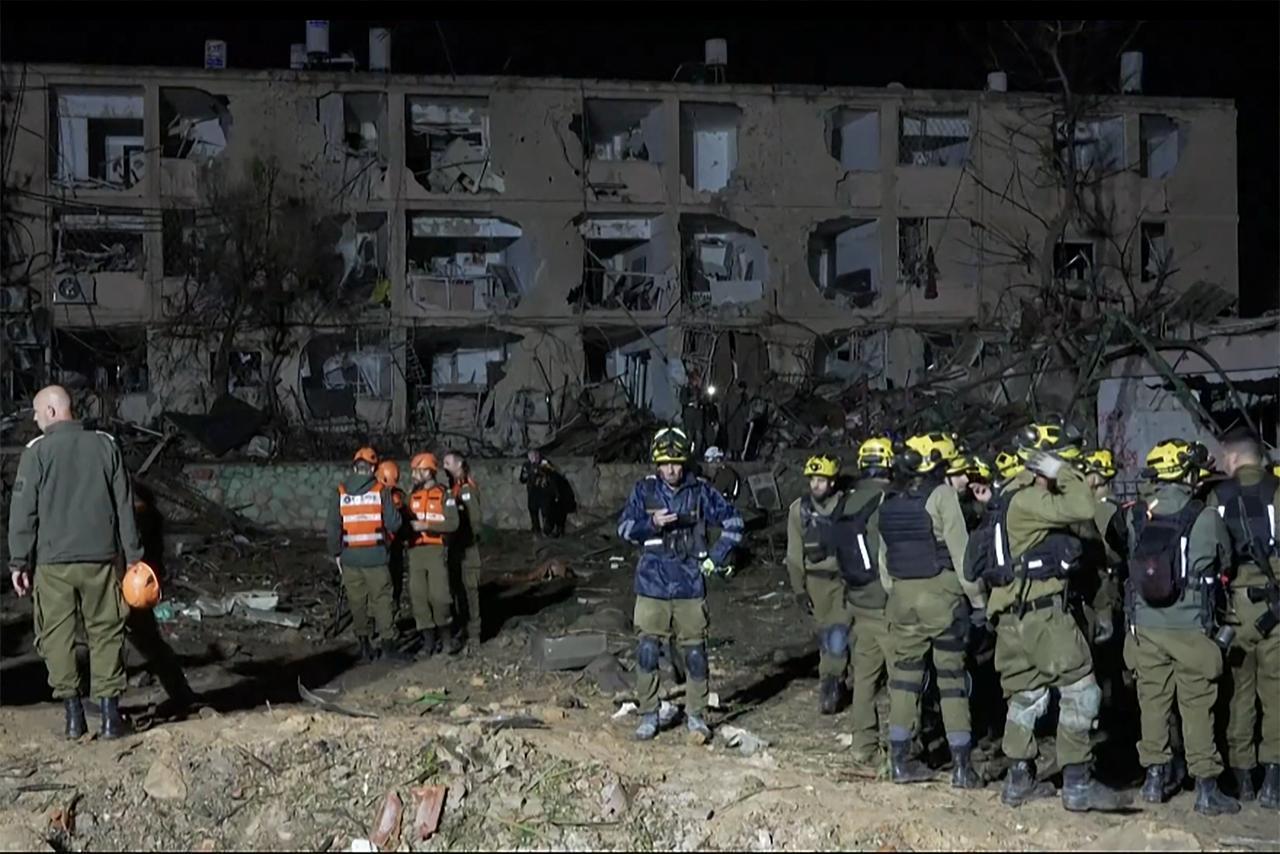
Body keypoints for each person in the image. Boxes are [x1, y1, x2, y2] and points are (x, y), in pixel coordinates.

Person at [973, 420, 1130, 812]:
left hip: (1012, 619)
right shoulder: (1029, 499)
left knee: (1026, 697)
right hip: (1043, 617)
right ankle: (1077, 782)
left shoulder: (1006, 498)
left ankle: (1019, 780)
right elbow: (1081, 506)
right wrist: (1060, 472)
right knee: (1081, 689)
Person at [7, 385, 142, 739]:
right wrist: (134, 558)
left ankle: (73, 717)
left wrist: (19, 561)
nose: (34, 420)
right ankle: (111, 718)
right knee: (106, 632)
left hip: (53, 565)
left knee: (57, 637)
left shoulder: (36, 453)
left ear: (52, 412)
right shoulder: (105, 445)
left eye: (36, 413)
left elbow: (23, 513)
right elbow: (124, 505)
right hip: (101, 559)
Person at [1123, 439, 1239, 816]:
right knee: (1197, 704)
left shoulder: (1137, 514)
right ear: (1188, 473)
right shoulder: (1205, 517)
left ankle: (1154, 781)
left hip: (1146, 626)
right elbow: (1226, 559)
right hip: (1190, 627)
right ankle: (1206, 788)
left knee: (1152, 703)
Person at [873, 432, 986, 789]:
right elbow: (962, 554)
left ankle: (899, 761)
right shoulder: (942, 496)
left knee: (904, 679)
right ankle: (962, 767)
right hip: (942, 597)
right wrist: (979, 602)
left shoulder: (886, 499)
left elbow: (883, 558)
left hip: (901, 599)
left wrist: (896, 592)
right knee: (951, 681)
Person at [616, 427, 744, 742]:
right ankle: (648, 713)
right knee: (647, 650)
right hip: (652, 586)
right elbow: (623, 528)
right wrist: (651, 523)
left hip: (689, 584)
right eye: (664, 463)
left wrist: (715, 557)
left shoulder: (700, 491)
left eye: (676, 462)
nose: (671, 469)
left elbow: (734, 523)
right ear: (656, 464)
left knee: (696, 653)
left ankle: (696, 715)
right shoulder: (644, 491)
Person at [1210, 428, 1280, 809]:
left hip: (1234, 612)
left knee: (1239, 696)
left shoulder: (1218, 498)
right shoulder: (1276, 492)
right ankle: (1273, 781)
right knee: (1276, 696)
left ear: (1234, 458)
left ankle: (1243, 780)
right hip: (1275, 611)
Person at [840, 437, 895, 761]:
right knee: (902, 679)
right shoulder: (886, 501)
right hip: (884, 601)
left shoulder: (848, 501)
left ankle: (863, 747)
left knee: (864, 679)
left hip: (857, 599)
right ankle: (905, 748)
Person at [786, 455, 854, 715]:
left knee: (838, 633)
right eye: (812, 479)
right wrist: (799, 590)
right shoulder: (799, 510)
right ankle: (833, 677)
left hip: (842, 580)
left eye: (821, 480)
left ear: (833, 482)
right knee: (826, 635)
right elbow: (794, 555)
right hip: (815, 582)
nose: (815, 485)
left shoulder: (847, 506)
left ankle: (831, 682)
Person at [326, 447, 407, 663]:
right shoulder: (381, 491)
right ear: (373, 467)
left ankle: (364, 646)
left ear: (354, 466)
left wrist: (336, 553)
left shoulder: (341, 491)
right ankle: (388, 646)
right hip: (377, 558)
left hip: (350, 559)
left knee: (357, 602)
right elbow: (394, 523)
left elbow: (333, 527)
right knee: (382, 600)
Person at [405, 453, 459, 658]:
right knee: (419, 597)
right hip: (415, 552)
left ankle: (446, 641)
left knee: (440, 596)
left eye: (417, 471)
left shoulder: (444, 495)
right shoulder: (412, 496)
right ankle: (428, 643)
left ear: (429, 471)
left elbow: (453, 523)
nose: (413, 475)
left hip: (437, 551)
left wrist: (427, 526)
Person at [444, 449, 485, 654]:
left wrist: (466, 542)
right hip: (456, 550)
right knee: (457, 592)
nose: (445, 467)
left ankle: (474, 636)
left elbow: (475, 521)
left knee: (470, 592)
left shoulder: (467, 488)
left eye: (448, 462)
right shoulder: (455, 489)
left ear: (459, 464)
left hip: (466, 550)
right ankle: (463, 631)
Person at [520, 449, 557, 536]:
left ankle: (548, 531)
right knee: (533, 510)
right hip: (532, 491)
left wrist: (542, 470)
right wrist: (525, 475)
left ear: (538, 454)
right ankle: (536, 530)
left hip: (544, 492)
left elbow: (552, 472)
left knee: (545, 512)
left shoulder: (544, 462)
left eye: (535, 455)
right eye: (531, 456)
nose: (533, 458)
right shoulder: (527, 465)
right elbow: (522, 479)